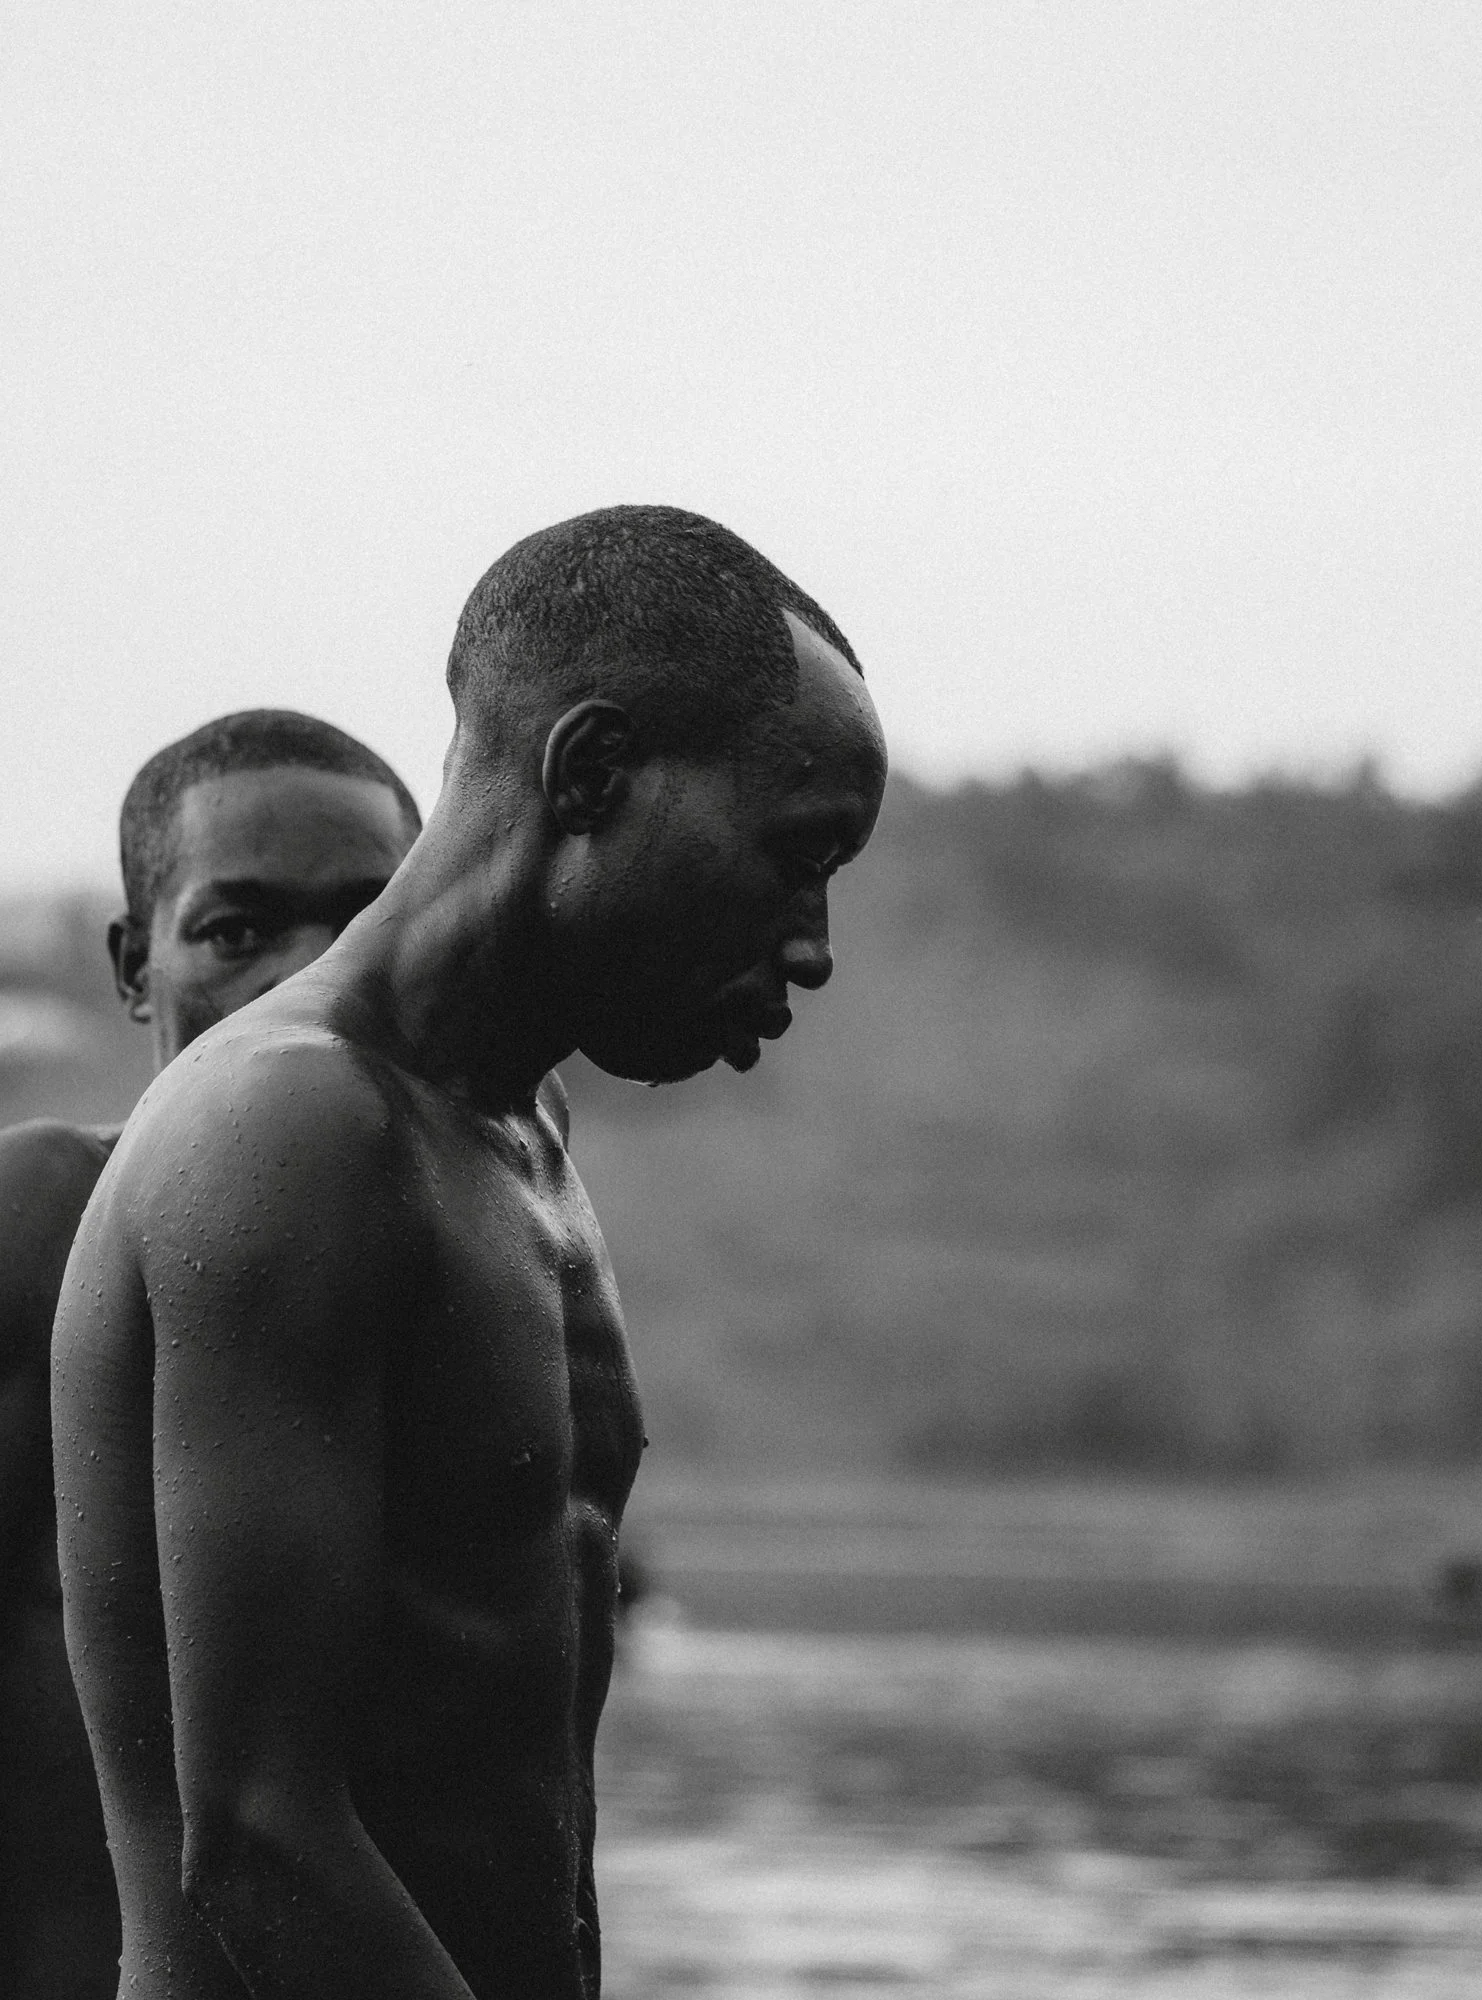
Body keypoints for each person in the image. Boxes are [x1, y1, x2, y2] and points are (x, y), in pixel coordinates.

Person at [53, 505, 887, 2000]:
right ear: (591, 774)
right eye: (794, 854)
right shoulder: (293, 1132)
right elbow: (255, 1840)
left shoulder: (520, 1138)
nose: (813, 939)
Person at [0, 710, 425, 2000]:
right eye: (237, 930)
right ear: (138, 967)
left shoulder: (485, 1240)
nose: (303, 974)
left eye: (359, 922)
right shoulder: (43, 1223)